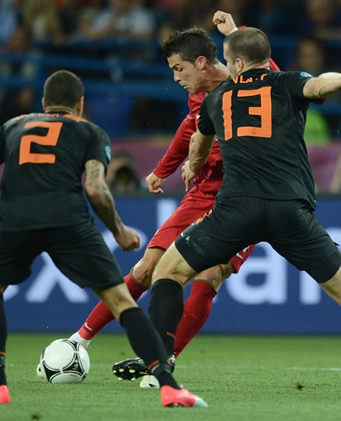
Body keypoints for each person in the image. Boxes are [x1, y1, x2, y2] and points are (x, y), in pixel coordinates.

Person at [145, 27, 341, 396]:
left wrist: (193, 165)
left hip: (235, 210)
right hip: (289, 211)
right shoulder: (287, 81)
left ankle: (162, 363)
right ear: (266, 57)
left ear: (235, 62)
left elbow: (199, 141)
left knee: (168, 273)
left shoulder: (217, 98)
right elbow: (318, 86)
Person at [0, 69, 206, 408]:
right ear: (80, 104)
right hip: (68, 221)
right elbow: (94, 187)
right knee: (121, 301)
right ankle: (167, 384)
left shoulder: (14, 125)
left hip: (15, 219)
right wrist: (118, 230)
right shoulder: (89, 131)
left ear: (44, 103)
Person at [68, 11, 280, 388]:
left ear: (201, 62)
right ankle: (77, 342)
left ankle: (164, 361)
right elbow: (190, 129)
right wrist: (162, 170)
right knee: (147, 268)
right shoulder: (199, 96)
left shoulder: (242, 79)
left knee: (211, 274)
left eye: (179, 68)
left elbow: (273, 77)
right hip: (202, 193)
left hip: (246, 193)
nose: (175, 78)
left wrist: (236, 31)